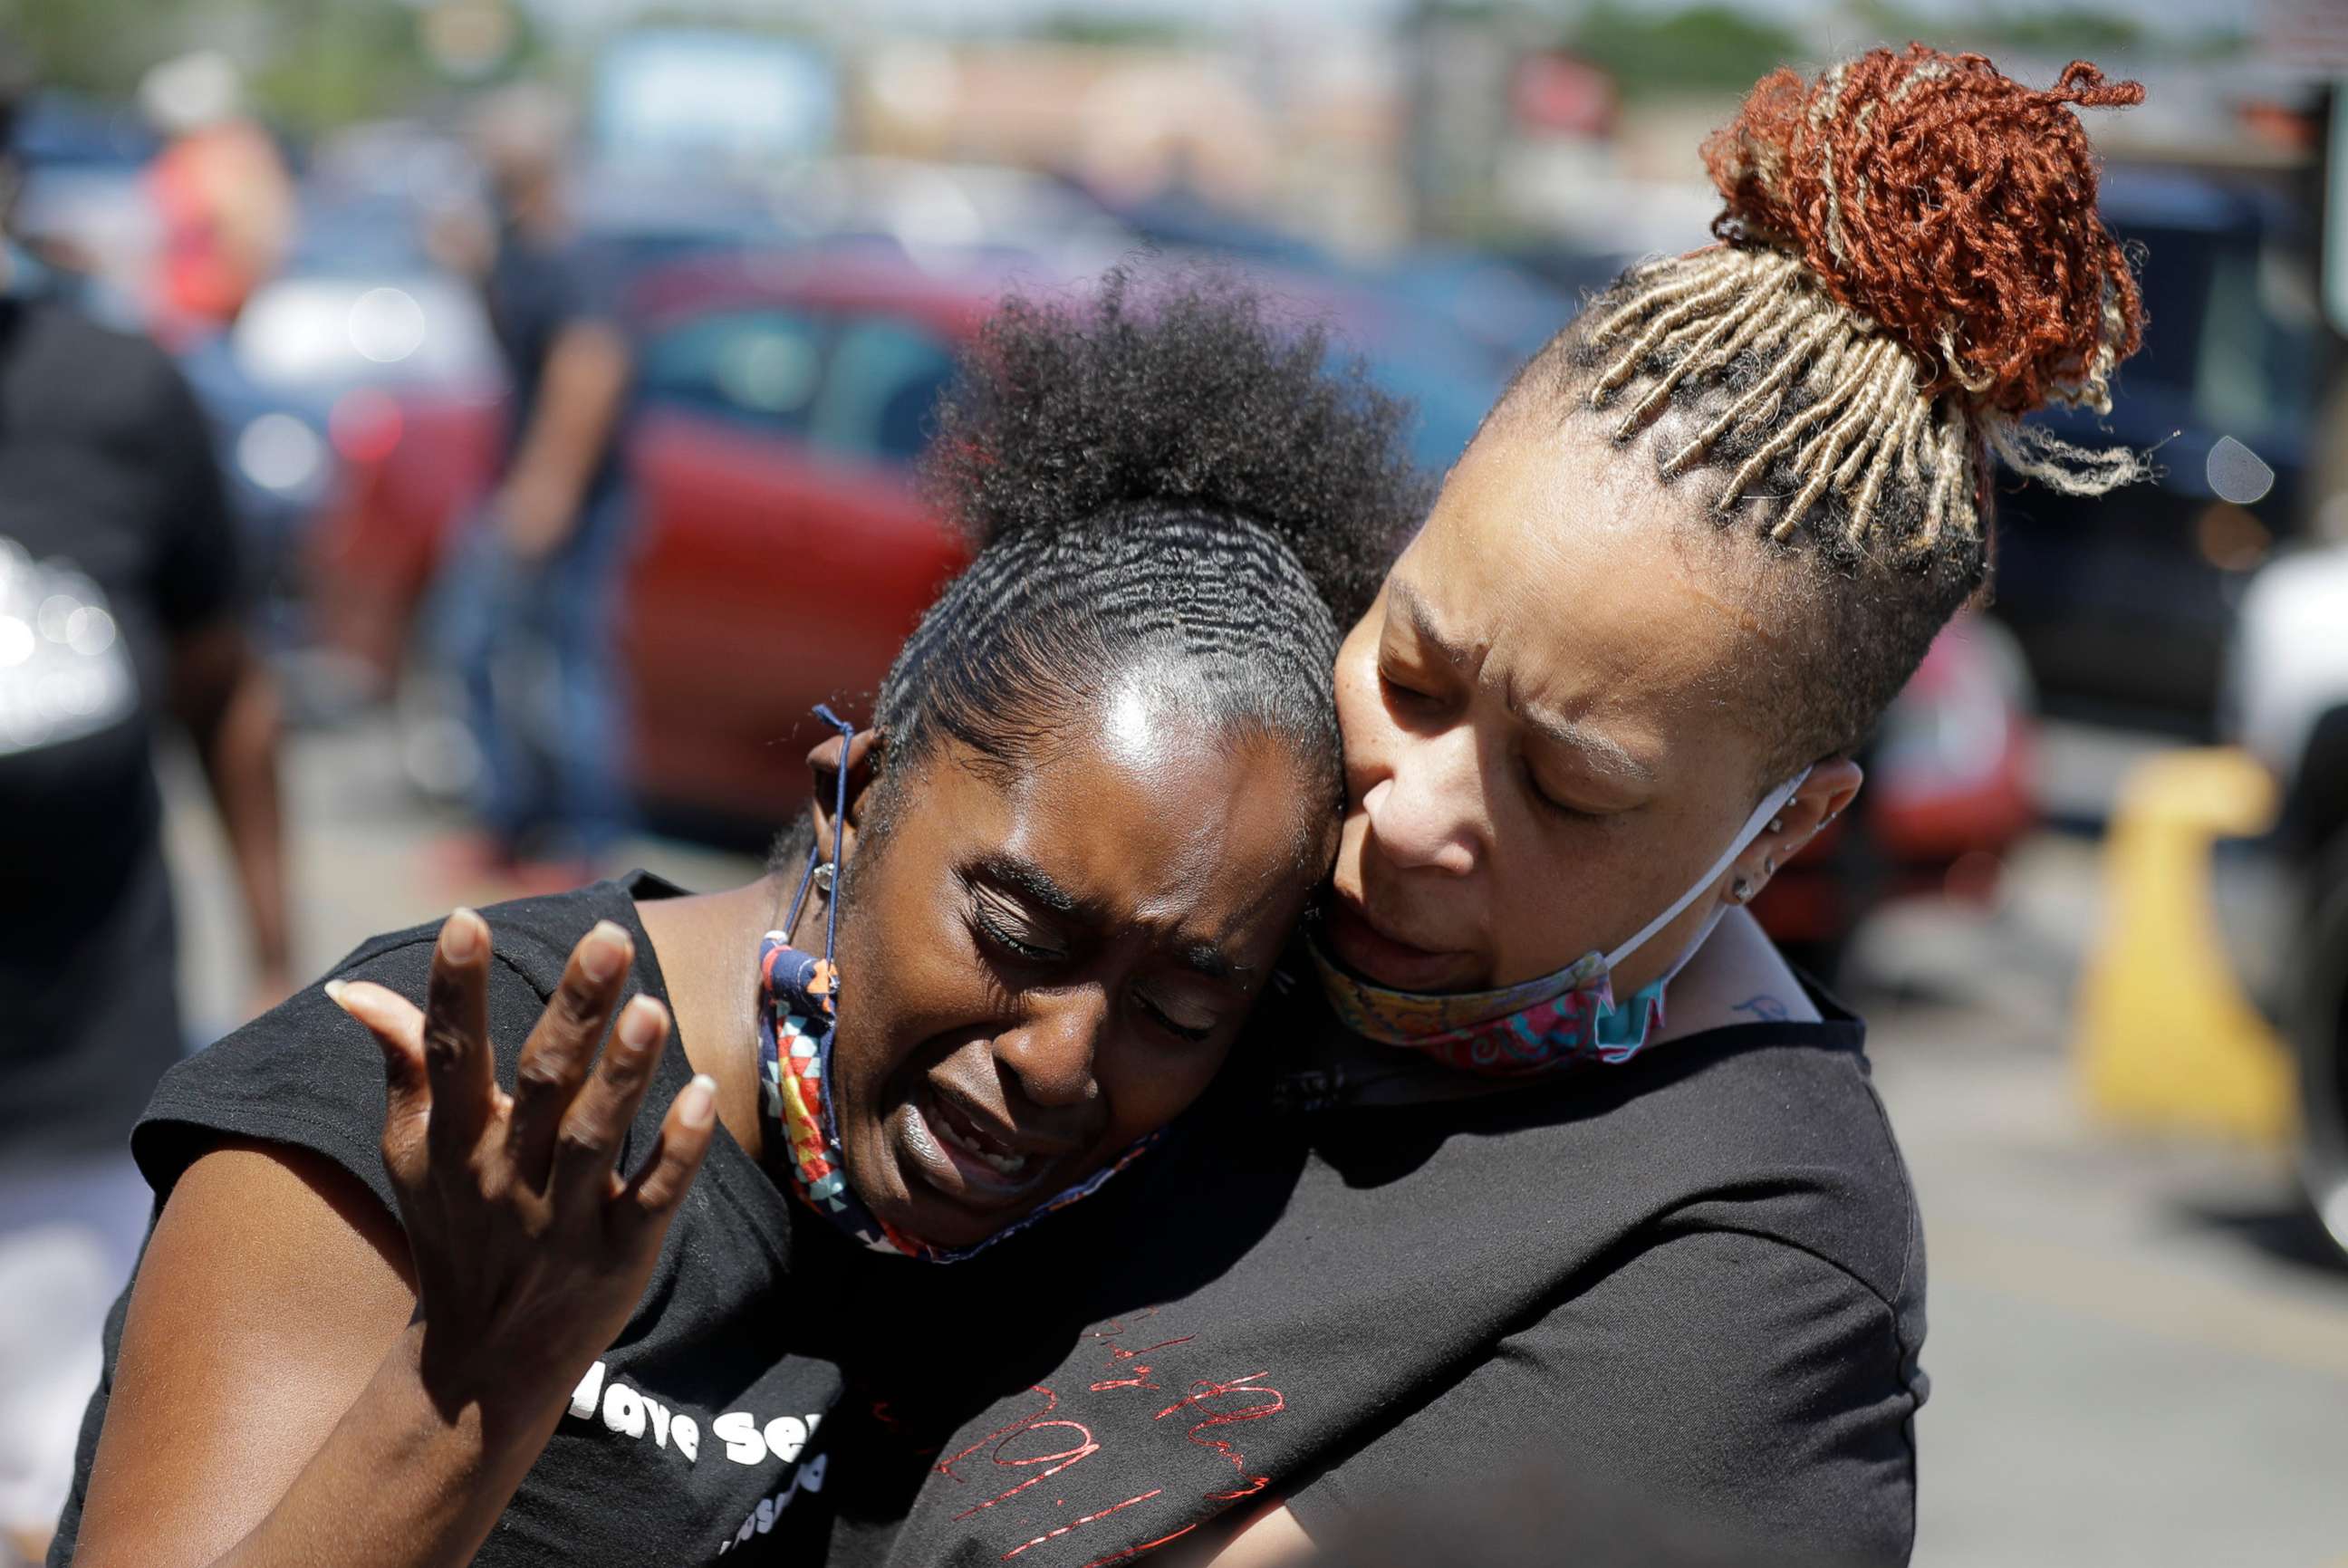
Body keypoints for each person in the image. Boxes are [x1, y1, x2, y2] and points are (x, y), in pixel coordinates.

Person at [862, 46, 2147, 1568]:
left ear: (1783, 835)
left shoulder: (1742, 1291)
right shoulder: (1229, 856)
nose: (1408, 817)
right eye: (1410, 670)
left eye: (1564, 787)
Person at [47, 273, 1425, 1568]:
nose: (1066, 1059)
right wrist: (472, 1377)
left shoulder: (1117, 1222)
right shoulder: (433, 1113)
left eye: (1179, 1008)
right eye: (1019, 934)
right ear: (855, 800)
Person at [0, 56, 289, 1567]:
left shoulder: (117, 396)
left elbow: (225, 690)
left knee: (80, 1501)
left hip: (72, 1077)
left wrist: (276, 949)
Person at [435, 85, 636, 880]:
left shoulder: (572, 254)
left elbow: (590, 370)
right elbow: (510, 349)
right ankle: (511, 823)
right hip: (522, 485)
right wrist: (474, 273)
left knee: (570, 673)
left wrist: (546, 490)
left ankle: (588, 842)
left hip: (571, 503)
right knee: (479, 649)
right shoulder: (516, 249)